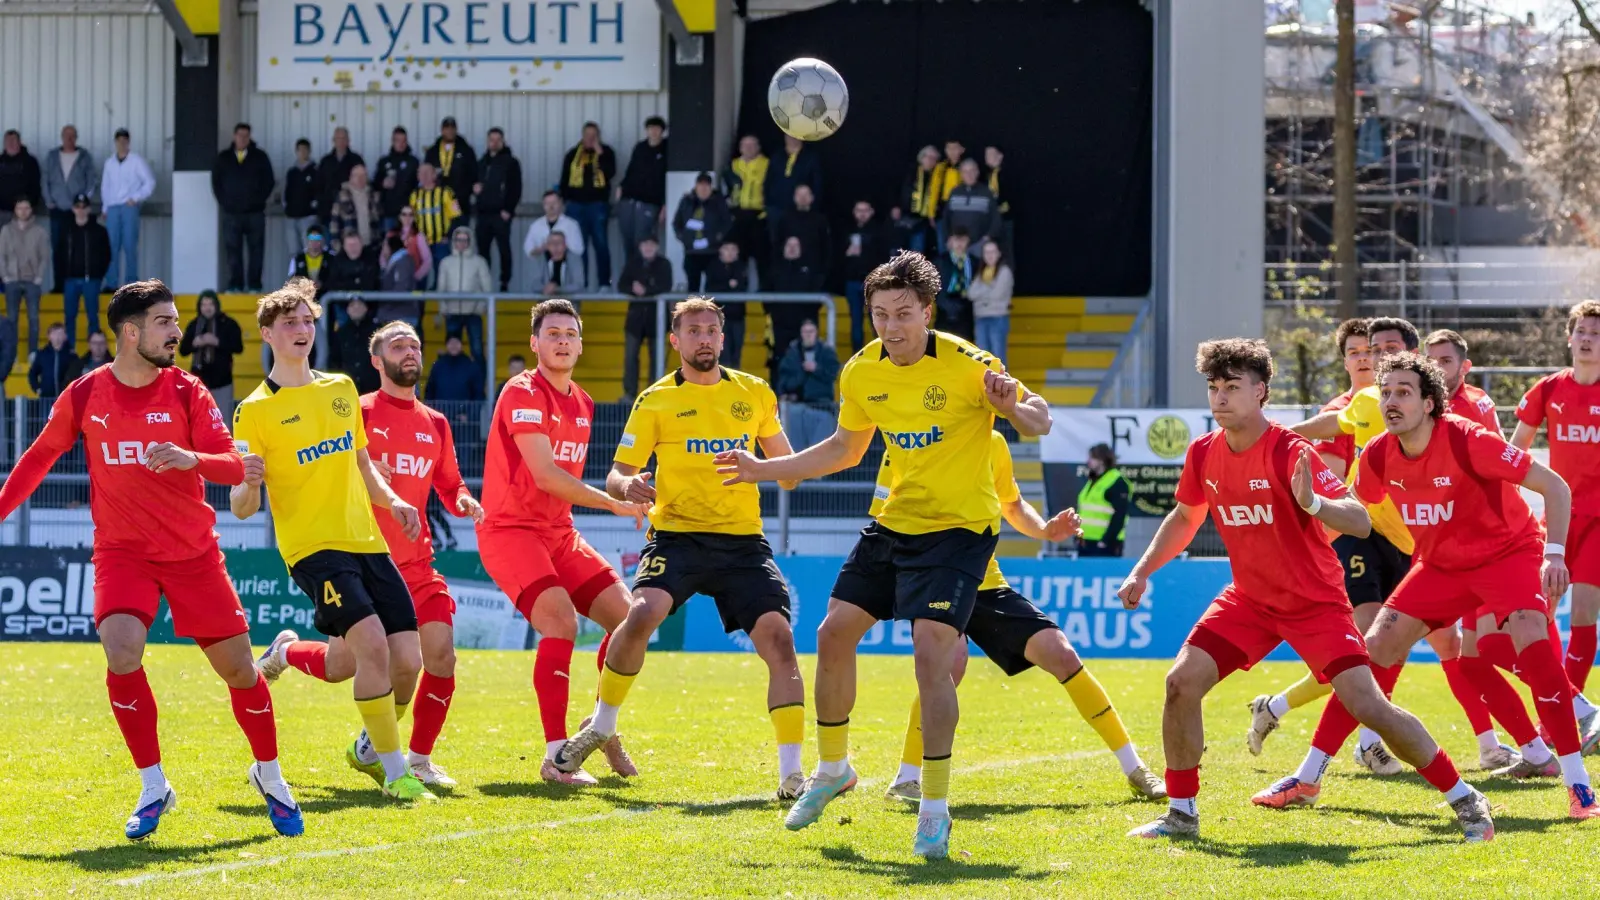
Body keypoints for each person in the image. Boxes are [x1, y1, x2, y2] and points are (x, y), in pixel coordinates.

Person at [714, 251, 1053, 859]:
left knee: (933, 656)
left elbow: (1038, 418)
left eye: (903, 314)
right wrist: (767, 468)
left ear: (927, 312)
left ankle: (933, 809)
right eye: (879, 315)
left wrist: (1012, 405)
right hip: (894, 524)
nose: (891, 327)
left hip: (958, 532)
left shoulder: (971, 364)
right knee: (833, 632)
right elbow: (845, 448)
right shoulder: (861, 372)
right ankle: (834, 769)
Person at [1116, 338, 1494, 841]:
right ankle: (1182, 813)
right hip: (1249, 601)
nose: (1221, 397)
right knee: (1181, 683)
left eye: (1233, 387)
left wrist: (1314, 502)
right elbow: (1186, 516)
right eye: (1214, 387)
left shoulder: (1291, 451)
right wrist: (1143, 570)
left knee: (1369, 706)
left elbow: (1359, 519)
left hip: (1314, 605)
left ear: (1261, 392)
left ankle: (1465, 798)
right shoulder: (1203, 453)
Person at [0, 279, 302, 840]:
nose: (177, 332)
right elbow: (39, 457)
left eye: (176, 321)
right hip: (122, 554)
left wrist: (190, 456)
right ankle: (153, 783)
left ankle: (269, 774)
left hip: (192, 555)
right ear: (132, 331)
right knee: (120, 651)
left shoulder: (189, 391)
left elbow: (239, 469)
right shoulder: (86, 395)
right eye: (165, 322)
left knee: (239, 670)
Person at [1255, 350, 1600, 821]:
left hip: (1508, 556)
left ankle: (1578, 785)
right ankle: (1309, 776)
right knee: (1370, 653)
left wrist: (1553, 556)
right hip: (1440, 565)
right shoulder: (1377, 454)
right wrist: (1312, 509)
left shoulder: (1468, 440)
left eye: (1403, 392)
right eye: (1387, 392)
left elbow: (1555, 486)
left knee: (1535, 655)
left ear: (1430, 403)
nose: (1391, 402)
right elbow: (1355, 518)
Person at [553, 297, 809, 801]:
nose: (705, 338)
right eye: (694, 331)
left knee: (780, 641)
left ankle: (792, 773)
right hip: (678, 537)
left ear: (722, 337)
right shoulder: (655, 400)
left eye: (712, 330)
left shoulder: (754, 393)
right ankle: (603, 725)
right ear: (676, 341)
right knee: (642, 614)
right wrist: (628, 488)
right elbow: (617, 472)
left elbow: (792, 471)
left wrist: (766, 467)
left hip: (742, 544)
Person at [1269, 317, 1515, 773]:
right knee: (1372, 644)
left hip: (1422, 541)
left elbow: (1498, 468)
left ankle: (1494, 743)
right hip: (1365, 534)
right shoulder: (1366, 407)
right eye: (1369, 349)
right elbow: (1334, 437)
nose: (1376, 356)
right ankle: (1348, 751)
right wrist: (1279, 435)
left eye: (1387, 348)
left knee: (1451, 645)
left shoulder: (1460, 415)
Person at [229, 277, 433, 803]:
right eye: (290, 322)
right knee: (371, 647)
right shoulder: (253, 410)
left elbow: (363, 466)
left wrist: (396, 501)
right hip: (313, 548)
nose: (302, 329)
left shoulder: (341, 388)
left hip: (367, 540)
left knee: (401, 661)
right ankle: (395, 772)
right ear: (268, 334)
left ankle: (290, 654)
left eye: (308, 321)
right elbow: (243, 508)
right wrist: (248, 481)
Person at [258, 320, 483, 789]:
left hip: (418, 565)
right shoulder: (350, 409)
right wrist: (357, 466)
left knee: (437, 656)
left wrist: (462, 497)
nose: (410, 352)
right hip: (359, 558)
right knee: (342, 667)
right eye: (398, 346)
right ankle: (285, 651)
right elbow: (321, 462)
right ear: (377, 361)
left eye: (415, 346)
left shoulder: (435, 423)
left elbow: (448, 480)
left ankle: (413, 759)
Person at [884, 431, 1165, 803]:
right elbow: (884, 514)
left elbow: (1013, 505)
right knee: (949, 664)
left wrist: (1047, 529)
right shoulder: (914, 435)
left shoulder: (994, 443)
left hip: (985, 582)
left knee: (1062, 653)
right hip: (934, 578)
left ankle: (1135, 768)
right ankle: (906, 777)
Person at [477, 299, 650, 783]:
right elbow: (547, 475)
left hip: (559, 532)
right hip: (510, 530)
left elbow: (562, 487)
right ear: (535, 343)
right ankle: (557, 756)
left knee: (630, 619)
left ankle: (601, 727)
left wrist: (629, 492)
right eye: (552, 333)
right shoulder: (522, 391)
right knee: (559, 620)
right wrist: (614, 504)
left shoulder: (585, 402)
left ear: (580, 343)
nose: (562, 341)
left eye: (570, 334)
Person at [1513, 300, 1600, 700]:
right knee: (1537, 614)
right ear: (1569, 338)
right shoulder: (1548, 389)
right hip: (1559, 519)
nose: (1587, 340)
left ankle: (1563, 720)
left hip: (1598, 520)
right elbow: (1515, 452)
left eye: (1596, 335)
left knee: (1583, 613)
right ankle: (1568, 706)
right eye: (1582, 332)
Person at [211, 123, 274, 293]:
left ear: (250, 137)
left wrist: (258, 200)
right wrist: (225, 202)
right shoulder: (224, 157)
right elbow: (216, 183)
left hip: (255, 213)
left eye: (246, 135)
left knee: (256, 250)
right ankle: (235, 285)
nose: (243, 138)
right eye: (240, 135)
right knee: (233, 251)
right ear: (234, 136)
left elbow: (269, 181)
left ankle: (254, 285)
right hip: (231, 214)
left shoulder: (260, 157)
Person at [559, 122, 617, 287]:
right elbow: (564, 179)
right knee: (578, 247)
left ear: (598, 136)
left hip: (597, 206)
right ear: (582, 135)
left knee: (601, 244)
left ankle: (604, 284)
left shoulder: (607, 152)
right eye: (588, 135)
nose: (590, 139)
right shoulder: (573, 154)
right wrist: (564, 200)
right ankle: (580, 283)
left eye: (594, 135)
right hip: (575, 206)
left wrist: (601, 154)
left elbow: (610, 173)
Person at [616, 235, 673, 403]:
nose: (648, 247)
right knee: (630, 357)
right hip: (635, 320)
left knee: (657, 358)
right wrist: (633, 290)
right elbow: (621, 285)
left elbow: (666, 285)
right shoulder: (633, 263)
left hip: (657, 319)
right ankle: (629, 393)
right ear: (640, 246)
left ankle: (654, 395)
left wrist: (645, 290)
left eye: (651, 244)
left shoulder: (664, 264)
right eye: (645, 243)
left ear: (657, 246)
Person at [99, 128, 155, 290]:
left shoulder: (136, 161)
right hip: (113, 208)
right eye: (119, 141)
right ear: (115, 142)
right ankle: (111, 283)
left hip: (129, 207)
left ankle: (131, 283)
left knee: (130, 245)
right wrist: (105, 207)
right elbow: (105, 187)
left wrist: (136, 198)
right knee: (111, 246)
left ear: (128, 142)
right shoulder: (109, 163)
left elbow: (149, 182)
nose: (122, 143)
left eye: (125, 140)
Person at [766, 236, 824, 384]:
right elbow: (765, 293)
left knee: (803, 359)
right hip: (780, 326)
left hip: (803, 325)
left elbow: (818, 296)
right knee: (779, 359)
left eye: (795, 245)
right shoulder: (774, 269)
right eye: (789, 245)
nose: (792, 248)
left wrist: (808, 317)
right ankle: (777, 397)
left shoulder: (810, 270)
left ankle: (802, 397)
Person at [775, 319, 840, 450]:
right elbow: (784, 381)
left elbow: (833, 373)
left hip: (822, 408)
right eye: (805, 331)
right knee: (796, 451)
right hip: (797, 408)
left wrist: (817, 369)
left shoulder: (826, 352)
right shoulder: (792, 353)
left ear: (816, 332)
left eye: (811, 331)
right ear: (801, 333)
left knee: (820, 453)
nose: (808, 334)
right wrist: (801, 374)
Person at [179, 289, 244, 416]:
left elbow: (238, 347)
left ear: (216, 305)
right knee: (198, 418)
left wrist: (217, 342)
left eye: (210, 304)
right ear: (199, 306)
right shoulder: (194, 324)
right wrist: (194, 343)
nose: (207, 308)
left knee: (223, 419)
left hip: (222, 382)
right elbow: (183, 350)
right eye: (204, 304)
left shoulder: (228, 323)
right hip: (199, 381)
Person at [43, 125, 98, 274]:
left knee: (77, 246)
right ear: (61, 137)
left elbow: (91, 180)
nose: (69, 138)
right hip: (57, 209)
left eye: (72, 135)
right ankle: (59, 285)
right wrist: (49, 200)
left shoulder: (84, 156)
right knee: (57, 246)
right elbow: (45, 179)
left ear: (76, 137)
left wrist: (83, 202)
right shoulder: (52, 156)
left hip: (78, 211)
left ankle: (75, 282)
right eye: (66, 135)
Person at [59, 192, 111, 347]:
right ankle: (70, 350)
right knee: (69, 317)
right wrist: (63, 275)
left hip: (91, 280)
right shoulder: (66, 230)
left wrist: (98, 275)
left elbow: (106, 255)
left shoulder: (99, 231)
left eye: (84, 206)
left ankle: (94, 351)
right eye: (78, 206)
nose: (80, 209)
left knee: (93, 318)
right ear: (73, 209)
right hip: (70, 280)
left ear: (88, 209)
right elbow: (58, 254)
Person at [1425, 329, 1502, 434]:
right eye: (1429, 361)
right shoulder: (1420, 397)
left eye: (1446, 361)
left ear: (1464, 367)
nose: (1435, 367)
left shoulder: (1469, 406)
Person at [474, 127, 522, 292]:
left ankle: (504, 282)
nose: (494, 143)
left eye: (497, 140)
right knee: (482, 251)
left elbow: (516, 188)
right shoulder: (481, 163)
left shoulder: (510, 162)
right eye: (491, 140)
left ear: (503, 141)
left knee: (504, 250)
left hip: (500, 214)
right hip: (483, 214)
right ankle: (484, 284)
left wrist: (508, 209)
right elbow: (472, 183)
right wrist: (475, 189)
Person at [616, 116, 669, 263]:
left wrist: (665, 205)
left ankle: (644, 278)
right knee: (627, 240)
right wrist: (621, 186)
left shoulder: (667, 148)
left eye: (657, 129)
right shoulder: (640, 147)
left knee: (644, 241)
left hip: (650, 202)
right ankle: (630, 277)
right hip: (629, 199)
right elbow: (631, 169)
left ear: (662, 131)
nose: (653, 132)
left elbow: (667, 179)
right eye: (650, 128)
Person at [841, 200, 892, 353]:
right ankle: (858, 357)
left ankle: (881, 356)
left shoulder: (879, 232)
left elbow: (884, 258)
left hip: (873, 284)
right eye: (858, 210)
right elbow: (839, 258)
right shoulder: (846, 231)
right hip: (853, 282)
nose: (862, 213)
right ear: (854, 212)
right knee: (856, 323)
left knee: (877, 322)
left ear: (871, 212)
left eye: (865, 210)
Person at [435, 226, 491, 361]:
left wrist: (481, 307)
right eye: (458, 240)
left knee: (477, 351)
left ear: (470, 241)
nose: (461, 243)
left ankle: (481, 382)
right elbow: (441, 288)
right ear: (454, 241)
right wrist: (443, 309)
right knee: (452, 353)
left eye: (465, 240)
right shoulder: (446, 263)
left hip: (473, 313)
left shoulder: (479, 262)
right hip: (452, 313)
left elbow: (487, 288)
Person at [1, 198, 49, 352]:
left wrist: (39, 277)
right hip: (12, 280)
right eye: (19, 208)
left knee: (33, 319)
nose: (23, 211)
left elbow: (45, 256)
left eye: (26, 208)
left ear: (31, 210)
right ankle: (12, 353)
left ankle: (32, 353)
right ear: (15, 210)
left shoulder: (39, 231)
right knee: (12, 320)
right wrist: (5, 277)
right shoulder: (6, 230)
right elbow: (1, 255)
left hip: (32, 281)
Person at [722, 135, 770, 290]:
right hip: (738, 216)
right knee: (738, 259)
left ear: (758, 147)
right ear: (740, 148)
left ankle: (766, 301)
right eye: (745, 145)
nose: (749, 148)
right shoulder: (733, 165)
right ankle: (738, 296)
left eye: (752, 145)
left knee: (763, 259)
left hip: (759, 215)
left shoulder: (767, 164)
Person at [673, 172, 731, 292]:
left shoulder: (718, 202)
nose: (703, 189)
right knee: (692, 287)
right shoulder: (687, 201)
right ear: (696, 186)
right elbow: (677, 223)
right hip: (691, 251)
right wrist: (685, 238)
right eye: (701, 185)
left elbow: (726, 224)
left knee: (713, 287)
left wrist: (714, 239)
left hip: (712, 252)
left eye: (707, 185)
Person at [764, 135, 822, 237]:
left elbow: (816, 184)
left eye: (795, 136)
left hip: (799, 210)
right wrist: (768, 204)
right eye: (789, 136)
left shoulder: (810, 157)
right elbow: (768, 180)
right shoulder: (777, 156)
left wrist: (811, 206)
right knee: (776, 242)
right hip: (776, 209)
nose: (792, 139)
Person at [1076, 443, 1129, 557]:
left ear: (1102, 460)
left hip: (1104, 544)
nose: (1088, 461)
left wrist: (1106, 541)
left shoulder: (1116, 481)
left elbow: (1120, 515)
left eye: (1092, 458)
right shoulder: (1093, 480)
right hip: (1086, 541)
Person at [410, 163, 462, 276]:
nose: (423, 176)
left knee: (442, 274)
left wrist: (448, 236)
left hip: (440, 242)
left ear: (434, 175)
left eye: (427, 173)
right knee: (420, 275)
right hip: (422, 243)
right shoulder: (415, 195)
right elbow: (410, 219)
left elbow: (456, 216)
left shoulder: (446, 192)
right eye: (420, 173)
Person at [968, 239, 1013, 366]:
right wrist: (989, 289)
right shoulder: (981, 273)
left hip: (998, 318)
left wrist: (981, 295)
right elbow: (971, 293)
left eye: (993, 252)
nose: (990, 255)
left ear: (999, 253)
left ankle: (1001, 385)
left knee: (998, 356)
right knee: (982, 357)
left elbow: (996, 295)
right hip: (981, 318)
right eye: (987, 252)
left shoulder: (1004, 272)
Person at [892, 146, 944, 255]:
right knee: (897, 251)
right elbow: (897, 188)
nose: (930, 161)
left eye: (934, 158)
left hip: (923, 220)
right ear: (921, 157)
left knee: (917, 251)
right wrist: (895, 205)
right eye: (928, 157)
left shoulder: (938, 176)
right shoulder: (910, 171)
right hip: (905, 216)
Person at [940, 158, 1001, 247]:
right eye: (965, 171)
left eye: (972, 171)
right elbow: (945, 218)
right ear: (961, 174)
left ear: (977, 172)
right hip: (957, 244)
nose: (969, 174)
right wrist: (948, 237)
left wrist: (988, 237)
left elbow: (996, 219)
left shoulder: (987, 192)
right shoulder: (954, 192)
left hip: (979, 245)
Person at [425, 116, 478, 217]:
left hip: (460, 202)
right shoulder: (432, 151)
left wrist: (467, 192)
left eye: (452, 128)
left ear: (456, 129)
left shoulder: (466, 150)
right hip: (437, 203)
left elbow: (474, 174)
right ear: (442, 130)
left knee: (460, 231)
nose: (450, 131)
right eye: (447, 128)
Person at [706, 240, 747, 367]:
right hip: (718, 318)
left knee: (736, 353)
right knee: (723, 353)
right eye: (727, 249)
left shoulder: (741, 267)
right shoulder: (713, 267)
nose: (730, 253)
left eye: (733, 249)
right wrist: (728, 285)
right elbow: (710, 289)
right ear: (720, 251)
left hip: (738, 316)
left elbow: (742, 287)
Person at [773, 184, 829, 276]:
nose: (803, 198)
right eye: (800, 195)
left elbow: (825, 246)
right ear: (794, 197)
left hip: (813, 270)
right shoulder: (785, 218)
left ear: (812, 198)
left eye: (806, 195)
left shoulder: (820, 220)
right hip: (788, 270)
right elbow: (778, 243)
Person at [328, 298, 382, 393]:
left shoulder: (377, 332)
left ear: (366, 308)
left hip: (373, 386)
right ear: (347, 310)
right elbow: (335, 360)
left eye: (360, 304)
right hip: (347, 386)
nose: (356, 308)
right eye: (352, 305)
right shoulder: (341, 332)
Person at [317, 127, 364, 231]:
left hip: (351, 211)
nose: (341, 141)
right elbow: (318, 185)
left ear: (348, 140)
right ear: (333, 140)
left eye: (344, 138)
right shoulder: (326, 161)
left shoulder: (356, 159)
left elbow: (363, 184)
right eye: (338, 138)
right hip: (328, 211)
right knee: (330, 244)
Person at [283, 138, 324, 256]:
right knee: (294, 252)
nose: (302, 152)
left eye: (305, 150)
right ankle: (297, 274)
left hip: (309, 217)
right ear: (296, 151)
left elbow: (320, 191)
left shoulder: (316, 171)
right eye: (300, 150)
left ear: (309, 151)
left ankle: (311, 275)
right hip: (292, 217)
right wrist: (286, 207)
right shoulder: (291, 172)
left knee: (311, 250)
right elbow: (286, 192)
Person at [329, 163, 384, 249]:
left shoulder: (373, 195)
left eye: (363, 175)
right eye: (356, 175)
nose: (360, 179)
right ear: (351, 177)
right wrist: (336, 245)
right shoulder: (342, 196)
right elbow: (334, 223)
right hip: (350, 247)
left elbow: (379, 220)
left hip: (371, 245)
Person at [376, 127, 420, 231]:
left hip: (408, 215)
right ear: (392, 141)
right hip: (389, 213)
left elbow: (419, 186)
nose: (401, 144)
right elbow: (375, 184)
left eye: (403, 140)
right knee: (390, 243)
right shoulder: (384, 161)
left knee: (409, 244)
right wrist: (383, 183)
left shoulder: (414, 162)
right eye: (398, 140)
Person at [523, 190, 586, 262]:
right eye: (548, 203)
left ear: (560, 203)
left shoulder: (572, 225)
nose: (551, 206)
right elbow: (528, 249)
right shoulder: (536, 225)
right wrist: (542, 249)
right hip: (542, 266)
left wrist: (559, 246)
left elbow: (579, 249)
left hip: (567, 266)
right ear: (543, 205)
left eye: (554, 203)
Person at [935, 228, 975, 339]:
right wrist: (943, 304)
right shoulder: (941, 261)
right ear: (950, 241)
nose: (959, 244)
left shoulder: (974, 261)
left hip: (966, 308)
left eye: (963, 240)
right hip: (944, 308)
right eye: (957, 240)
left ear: (968, 242)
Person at [424, 335, 483, 405]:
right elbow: (430, 391)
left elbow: (478, 394)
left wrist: (469, 415)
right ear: (446, 345)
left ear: (461, 345)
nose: (454, 346)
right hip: (439, 413)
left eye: (456, 343)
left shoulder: (471, 366)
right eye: (451, 343)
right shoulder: (438, 365)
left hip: (463, 414)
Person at [0, 129, 43, 224]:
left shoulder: (30, 162)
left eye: (13, 140)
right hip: (1, 211)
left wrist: (30, 207)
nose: (10, 143)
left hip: (22, 213)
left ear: (19, 142)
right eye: (7, 141)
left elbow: (35, 186)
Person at [28, 322, 79, 398]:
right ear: (49, 336)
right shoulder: (42, 354)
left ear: (65, 336)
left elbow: (77, 376)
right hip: (46, 398)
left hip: (66, 398)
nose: (57, 337)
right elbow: (32, 374)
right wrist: (38, 389)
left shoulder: (72, 356)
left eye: (60, 334)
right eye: (54, 334)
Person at [325, 229, 382, 295]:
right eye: (349, 245)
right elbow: (333, 284)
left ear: (362, 244)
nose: (353, 248)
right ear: (344, 247)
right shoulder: (337, 261)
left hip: (368, 301)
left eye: (355, 244)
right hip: (343, 301)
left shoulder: (371, 258)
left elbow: (372, 283)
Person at [984, 145, 1014, 265]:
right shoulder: (988, 174)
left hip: (1004, 219)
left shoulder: (1007, 173)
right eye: (986, 155)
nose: (987, 158)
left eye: (991, 154)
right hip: (991, 221)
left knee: (1006, 252)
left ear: (1000, 156)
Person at [536, 231, 586, 295]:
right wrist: (546, 288)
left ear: (565, 245)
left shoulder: (574, 259)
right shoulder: (541, 259)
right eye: (552, 243)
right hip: (546, 302)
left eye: (559, 243)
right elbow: (535, 285)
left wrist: (556, 289)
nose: (555, 246)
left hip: (569, 302)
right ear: (547, 246)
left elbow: (579, 285)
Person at [288, 226, 329, 297]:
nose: (314, 242)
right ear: (307, 239)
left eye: (317, 238)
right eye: (311, 238)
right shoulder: (297, 259)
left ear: (322, 240)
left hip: (325, 297)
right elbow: (292, 280)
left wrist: (322, 284)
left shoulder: (331, 258)